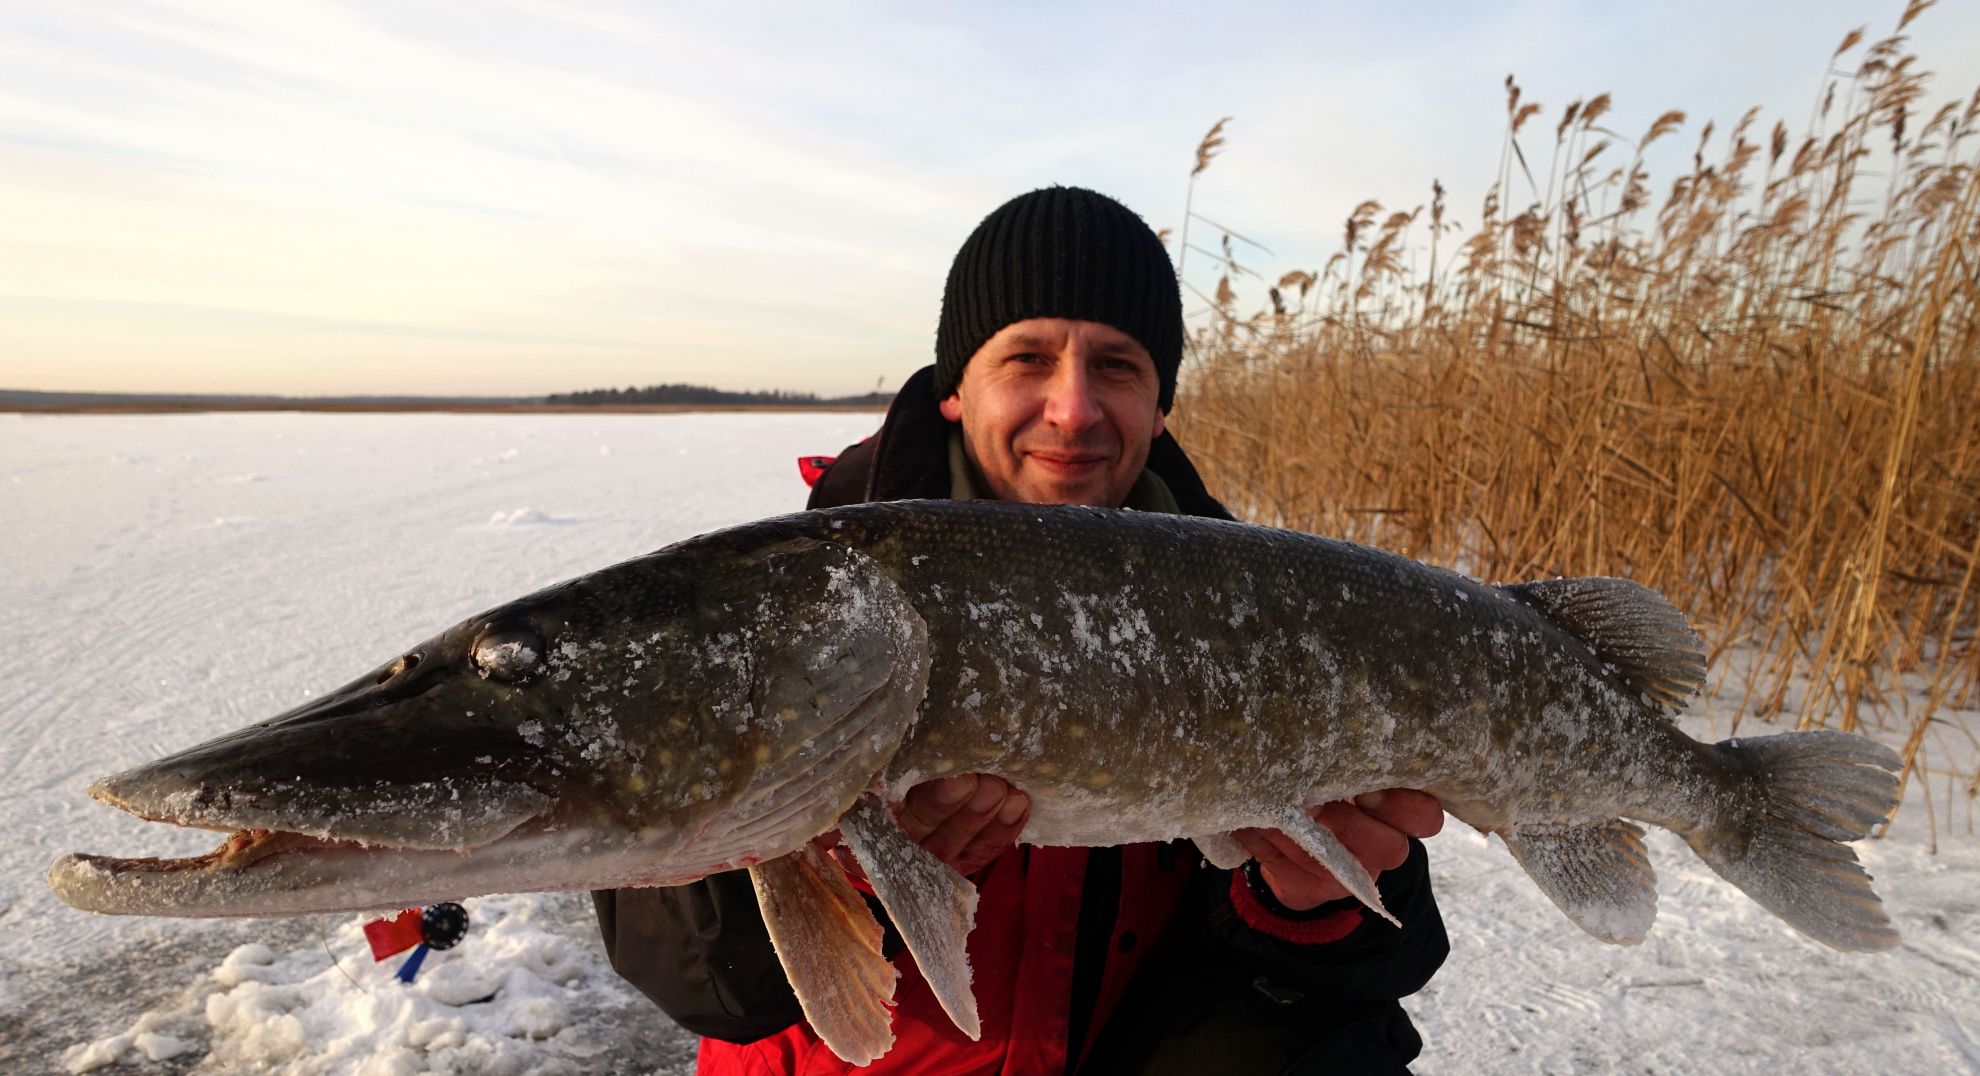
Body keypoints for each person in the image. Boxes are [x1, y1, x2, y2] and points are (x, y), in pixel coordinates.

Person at [594, 186, 1449, 1074]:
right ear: (957, 388)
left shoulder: (1264, 616)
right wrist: (853, 874)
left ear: (1160, 408)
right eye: (1028, 359)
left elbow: (1364, 969)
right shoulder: (793, 599)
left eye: (1116, 366)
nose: (1073, 410)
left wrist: (1307, 901)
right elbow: (696, 979)